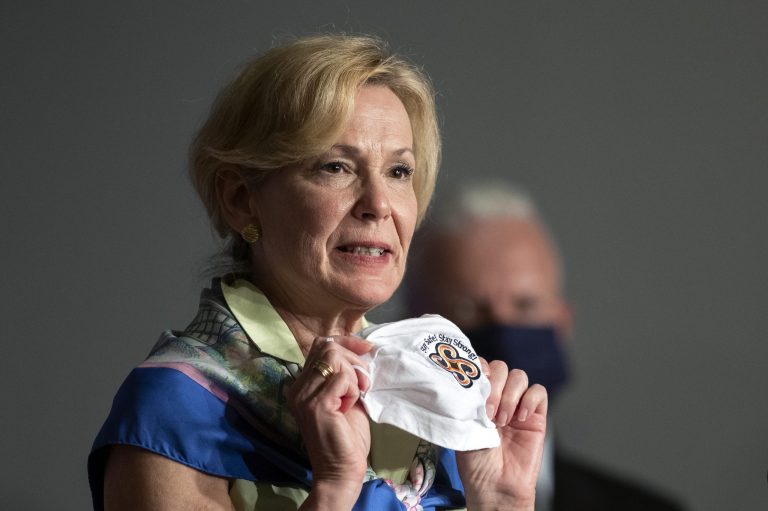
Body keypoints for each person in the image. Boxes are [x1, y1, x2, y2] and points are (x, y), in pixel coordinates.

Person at [88, 35, 548, 511]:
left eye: (399, 172)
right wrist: (334, 488)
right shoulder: (177, 407)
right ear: (240, 198)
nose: (378, 205)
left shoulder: (439, 392)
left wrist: (502, 502)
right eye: (336, 167)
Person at [405, 182, 684, 511]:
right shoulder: (365, 492)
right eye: (470, 308)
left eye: (526, 305)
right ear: (417, 324)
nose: (503, 329)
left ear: (562, 323)